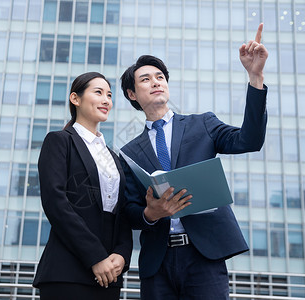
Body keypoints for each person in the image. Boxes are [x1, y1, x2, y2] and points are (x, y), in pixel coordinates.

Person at [119, 24, 268, 299]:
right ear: (132, 94)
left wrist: (255, 78)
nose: (156, 82)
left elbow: (250, 140)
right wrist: (151, 213)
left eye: (160, 77)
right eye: (145, 79)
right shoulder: (128, 152)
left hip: (204, 257)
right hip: (157, 264)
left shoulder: (203, 125)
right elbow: (129, 210)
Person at [33, 72, 133, 300]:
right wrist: (95, 257)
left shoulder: (113, 157)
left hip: (109, 275)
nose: (107, 100)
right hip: (67, 271)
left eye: (109, 95)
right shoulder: (59, 141)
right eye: (98, 92)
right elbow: (56, 203)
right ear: (75, 99)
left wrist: (122, 254)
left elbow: (122, 211)